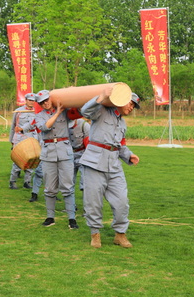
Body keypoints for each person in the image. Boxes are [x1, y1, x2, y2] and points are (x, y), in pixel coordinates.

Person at [79, 90, 141, 248]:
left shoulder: (123, 123)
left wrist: (129, 155)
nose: (132, 107)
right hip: (94, 163)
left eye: (134, 105)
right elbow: (85, 110)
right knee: (93, 202)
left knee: (122, 201)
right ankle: (95, 234)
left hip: (114, 165)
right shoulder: (101, 111)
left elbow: (120, 145)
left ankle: (120, 235)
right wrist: (101, 98)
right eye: (131, 103)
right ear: (121, 101)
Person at [33, 90, 78, 230]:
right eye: (42, 102)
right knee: (50, 188)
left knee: (68, 187)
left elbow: (79, 112)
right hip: (48, 152)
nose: (45, 103)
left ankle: (72, 219)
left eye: (47, 100)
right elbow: (44, 127)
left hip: (64, 151)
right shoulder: (39, 116)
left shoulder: (65, 110)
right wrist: (57, 113)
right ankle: (50, 216)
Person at [9, 93, 39, 190]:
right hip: (20, 137)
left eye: (33, 100)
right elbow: (13, 126)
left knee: (31, 159)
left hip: (31, 137)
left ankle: (27, 182)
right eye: (30, 100)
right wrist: (12, 140)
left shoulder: (37, 112)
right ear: (26, 100)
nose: (31, 102)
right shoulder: (18, 111)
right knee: (18, 160)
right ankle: (12, 181)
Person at [69, 117, 91, 192]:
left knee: (84, 182)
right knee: (69, 181)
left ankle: (87, 200)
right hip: (70, 154)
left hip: (83, 153)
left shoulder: (84, 125)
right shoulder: (64, 125)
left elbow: (88, 143)